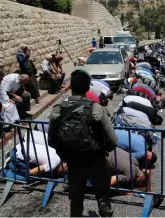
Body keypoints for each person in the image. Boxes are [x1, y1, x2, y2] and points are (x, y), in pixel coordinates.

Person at [48, 69, 117, 217]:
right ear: (87, 88)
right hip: (96, 160)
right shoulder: (96, 109)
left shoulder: (59, 109)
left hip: (73, 163)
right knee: (103, 199)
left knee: (76, 200)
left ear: (71, 87)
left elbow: (52, 141)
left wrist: (67, 150)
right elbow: (113, 141)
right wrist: (102, 149)